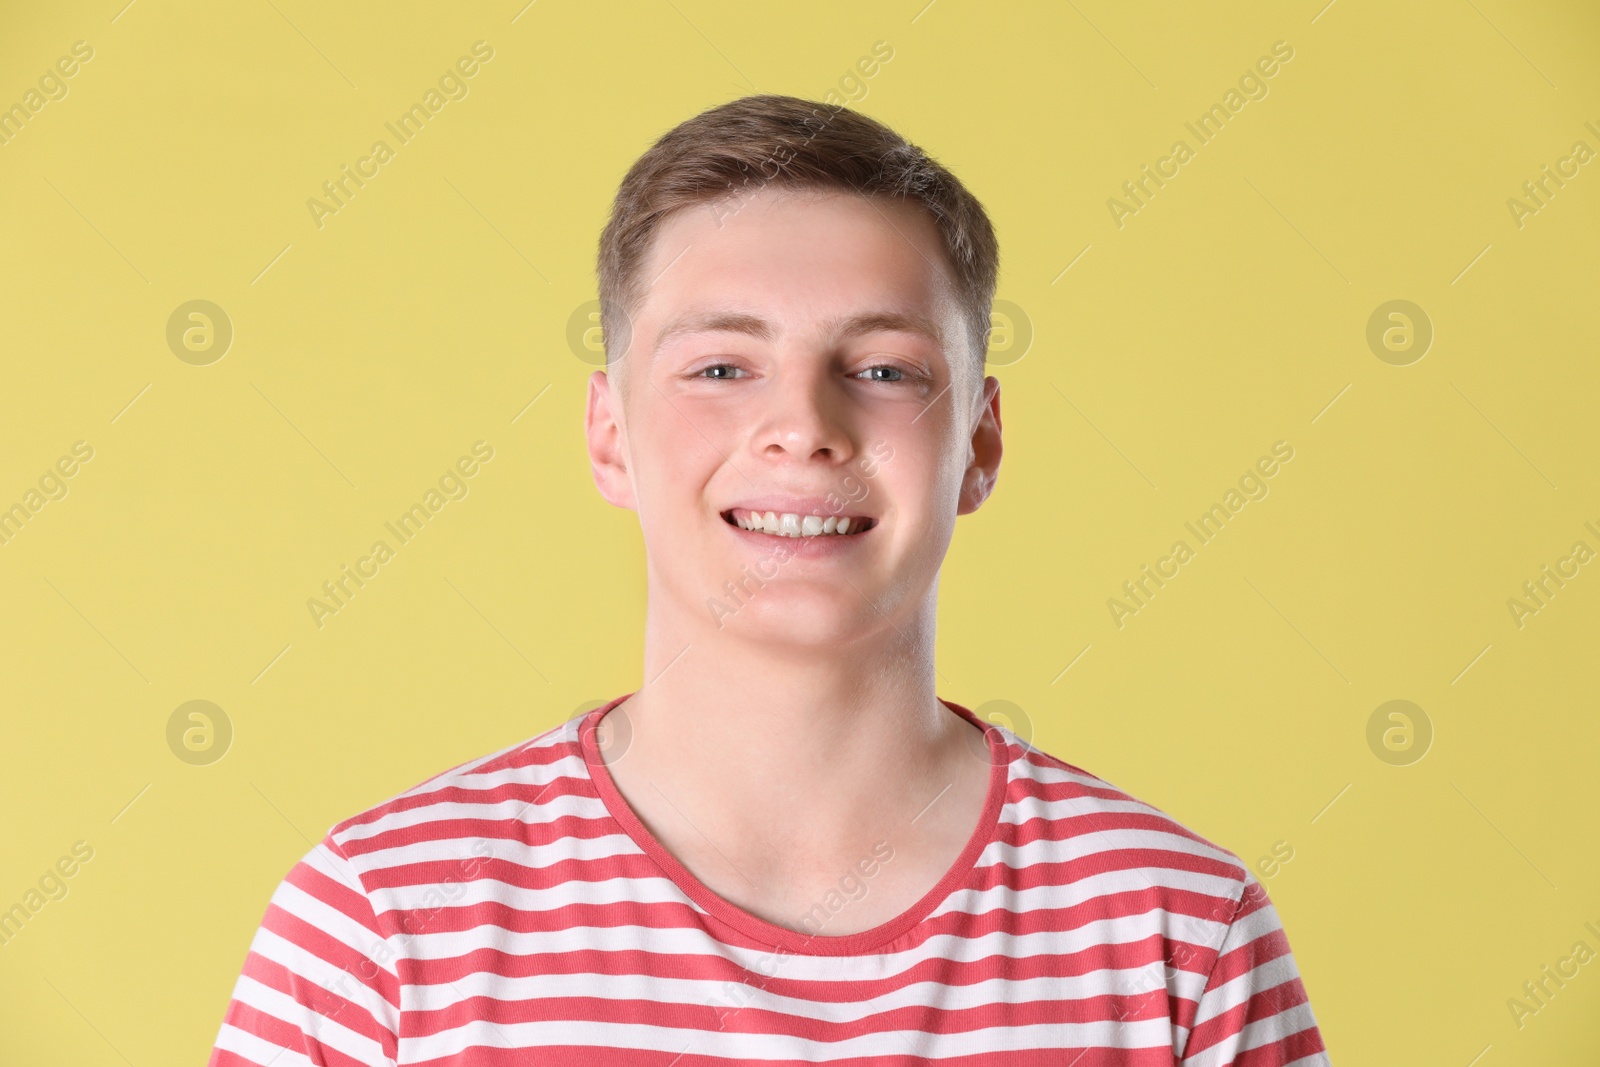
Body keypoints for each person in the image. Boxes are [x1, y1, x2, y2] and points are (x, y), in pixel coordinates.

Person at [208, 93, 1332, 1065]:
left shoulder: (1180, 931)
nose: (803, 426)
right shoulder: (382, 924)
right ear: (609, 435)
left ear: (979, 444)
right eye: (720, 366)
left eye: (885, 368)